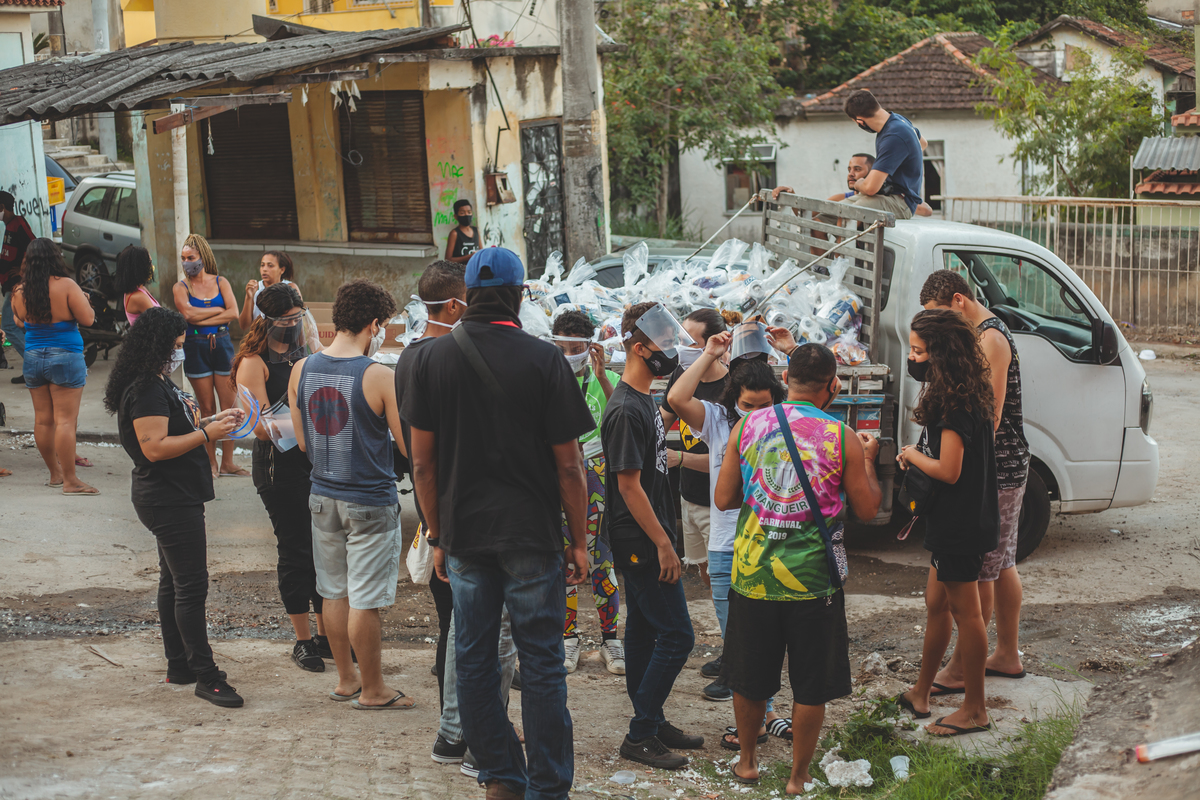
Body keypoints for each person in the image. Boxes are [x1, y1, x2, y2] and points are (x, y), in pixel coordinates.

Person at [404, 247, 593, 800]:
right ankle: (548, 786)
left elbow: (422, 465)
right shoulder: (545, 359)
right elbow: (569, 465)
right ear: (519, 293)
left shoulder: (430, 359)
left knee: (475, 660)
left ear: (467, 295)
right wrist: (580, 541)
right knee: (542, 664)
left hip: (465, 537)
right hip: (532, 536)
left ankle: (500, 776)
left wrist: (437, 535)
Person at [713, 342, 881, 790]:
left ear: (784, 378)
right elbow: (867, 509)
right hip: (813, 582)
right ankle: (798, 776)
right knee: (810, 684)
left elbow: (724, 498)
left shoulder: (748, 425)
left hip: (753, 577)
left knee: (749, 678)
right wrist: (869, 461)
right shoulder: (841, 435)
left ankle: (747, 762)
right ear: (833, 385)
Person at [104, 306, 246, 707]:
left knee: (173, 582)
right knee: (191, 586)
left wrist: (214, 420)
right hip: (168, 498)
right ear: (158, 346)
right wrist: (206, 433)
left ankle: (180, 665)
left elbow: (176, 426)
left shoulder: (155, 380)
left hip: (173, 495)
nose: (180, 352)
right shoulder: (146, 388)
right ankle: (206, 675)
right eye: (177, 346)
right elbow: (155, 447)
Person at [666, 327, 792, 750]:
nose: (755, 413)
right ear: (733, 398)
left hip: (769, 544)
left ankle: (764, 716)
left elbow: (820, 386)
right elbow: (677, 398)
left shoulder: (785, 421)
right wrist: (708, 354)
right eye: (746, 405)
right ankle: (764, 715)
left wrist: (790, 350)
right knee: (737, 640)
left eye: (764, 405)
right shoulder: (718, 421)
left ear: (777, 399)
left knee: (766, 638)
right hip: (724, 548)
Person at [288, 279, 411, 711]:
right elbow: (407, 446)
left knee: (333, 592)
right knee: (365, 600)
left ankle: (346, 680)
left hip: (322, 496)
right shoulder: (379, 376)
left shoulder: (301, 369)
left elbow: (302, 443)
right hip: (370, 500)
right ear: (374, 324)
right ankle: (374, 690)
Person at [604, 301, 703, 770]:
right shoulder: (627, 408)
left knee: (644, 632)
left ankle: (654, 720)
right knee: (678, 636)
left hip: (649, 535)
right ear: (639, 348)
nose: (670, 351)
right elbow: (628, 486)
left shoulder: (644, 399)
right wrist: (664, 543)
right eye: (663, 343)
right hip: (641, 540)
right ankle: (640, 733)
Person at [920, 270, 1030, 687]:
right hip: (1001, 465)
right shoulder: (980, 334)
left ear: (958, 301)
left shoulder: (990, 338)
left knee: (982, 570)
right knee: (1002, 563)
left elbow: (991, 415)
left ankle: (963, 668)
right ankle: (1006, 655)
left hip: (997, 467)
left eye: (939, 314)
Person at [896, 309, 1000, 736]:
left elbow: (949, 470)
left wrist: (911, 454)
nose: (912, 357)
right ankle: (921, 691)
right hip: (964, 517)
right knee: (936, 604)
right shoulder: (971, 389)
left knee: (967, 614)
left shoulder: (953, 406)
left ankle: (975, 709)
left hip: (959, 523)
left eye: (918, 351)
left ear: (940, 354)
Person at [233, 282, 327, 673]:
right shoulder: (253, 362)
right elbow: (258, 427)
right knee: (295, 550)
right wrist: (304, 421)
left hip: (313, 461)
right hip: (279, 467)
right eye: (286, 321)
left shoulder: (306, 351)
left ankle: (326, 634)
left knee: (322, 551)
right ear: (267, 320)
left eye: (297, 319)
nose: (293, 326)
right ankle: (303, 640)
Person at [548, 309, 624, 675]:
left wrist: (603, 376)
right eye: (562, 348)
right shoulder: (546, 378)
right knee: (565, 561)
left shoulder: (606, 378)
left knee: (602, 562)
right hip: (560, 478)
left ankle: (611, 639)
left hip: (597, 478)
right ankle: (568, 638)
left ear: (590, 347)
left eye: (576, 348)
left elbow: (622, 414)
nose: (569, 356)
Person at [11, 238, 98, 495]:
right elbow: (88, 319)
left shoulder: (19, 291)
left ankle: (55, 474)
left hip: (33, 358)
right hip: (65, 357)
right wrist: (84, 300)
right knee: (65, 421)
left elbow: (20, 321)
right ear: (54, 258)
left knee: (43, 421)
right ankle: (71, 481)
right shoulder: (67, 285)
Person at [172, 233, 246, 479]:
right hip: (195, 345)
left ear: (202, 257)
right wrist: (217, 310)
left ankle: (228, 463)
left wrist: (200, 316)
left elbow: (234, 313)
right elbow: (188, 316)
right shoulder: (180, 287)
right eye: (183, 258)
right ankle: (210, 462)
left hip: (222, 343)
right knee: (206, 408)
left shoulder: (221, 282)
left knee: (230, 407)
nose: (186, 262)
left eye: (190, 257)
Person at [842, 88, 928, 220]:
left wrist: (858, 184)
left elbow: (870, 188)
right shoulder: (898, 120)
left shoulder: (893, 136)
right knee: (828, 213)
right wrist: (901, 160)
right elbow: (923, 143)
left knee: (845, 216)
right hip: (887, 195)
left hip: (900, 201)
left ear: (860, 121)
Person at [1, 190, 36, 383]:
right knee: (22, 327)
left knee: (8, 325)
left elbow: (34, 246)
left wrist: (23, 272)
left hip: (16, 285)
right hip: (9, 283)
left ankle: (34, 365)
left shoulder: (18, 224)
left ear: (2, 207)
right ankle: (32, 368)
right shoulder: (9, 226)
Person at [239, 251, 299, 330]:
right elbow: (244, 326)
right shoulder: (255, 288)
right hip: (259, 335)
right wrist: (248, 297)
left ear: (282, 270)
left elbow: (298, 319)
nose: (264, 269)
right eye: (262, 265)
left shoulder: (290, 288)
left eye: (270, 266)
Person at [115, 245, 160, 327]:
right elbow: (160, 322)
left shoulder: (140, 289)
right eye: (149, 263)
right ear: (139, 268)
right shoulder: (139, 297)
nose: (152, 266)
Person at [445, 200, 480, 265]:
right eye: (462, 213)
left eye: (469, 212)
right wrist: (468, 257)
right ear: (456, 216)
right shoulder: (454, 233)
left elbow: (481, 251)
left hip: (474, 269)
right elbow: (448, 259)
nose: (467, 215)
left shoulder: (476, 231)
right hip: (460, 270)